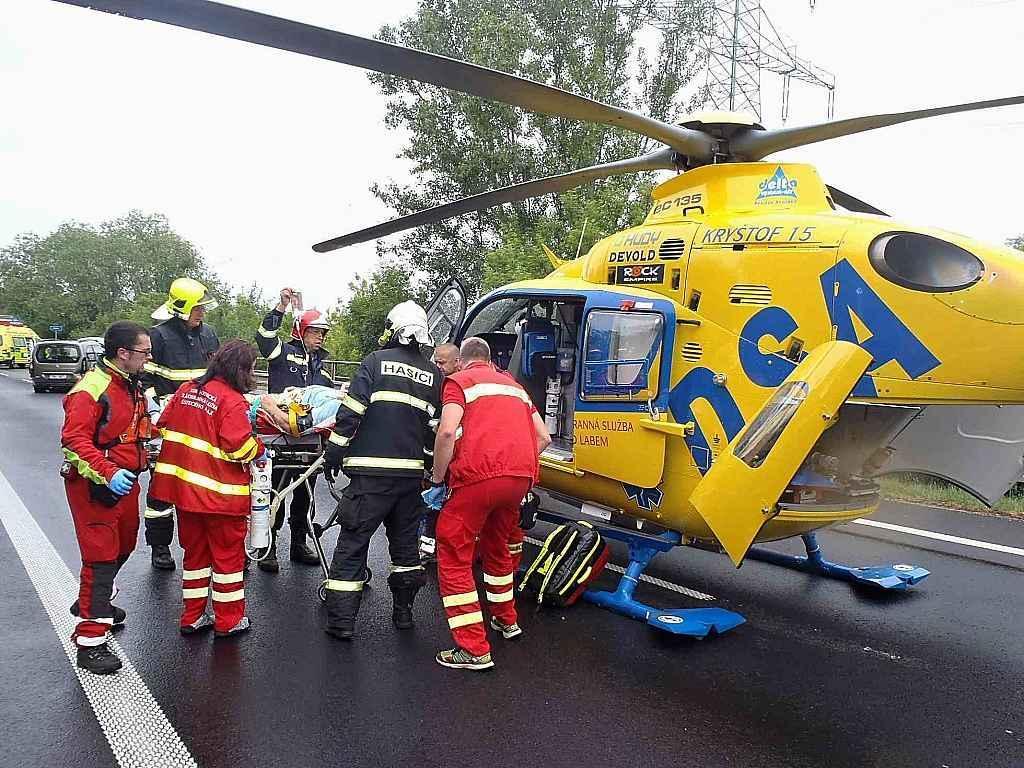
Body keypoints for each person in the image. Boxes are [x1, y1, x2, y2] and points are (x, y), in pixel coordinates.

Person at [426, 336, 551, 671]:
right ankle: (506, 620)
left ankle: (473, 648)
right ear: (491, 360)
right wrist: (513, 466)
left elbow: (447, 432)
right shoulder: (515, 387)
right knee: (498, 547)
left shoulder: (459, 382)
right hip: (519, 479)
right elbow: (544, 437)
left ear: (463, 361)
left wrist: (439, 478)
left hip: (476, 478)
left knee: (453, 554)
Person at [321, 301, 442, 640]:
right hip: (409, 480)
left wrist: (334, 451)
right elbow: (433, 428)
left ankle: (342, 623)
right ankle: (403, 614)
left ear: (394, 329)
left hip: (370, 477)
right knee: (405, 550)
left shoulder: (375, 362)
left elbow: (351, 413)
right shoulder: (434, 374)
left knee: (353, 544)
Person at [149, 340, 264, 638]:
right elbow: (238, 446)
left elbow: (163, 425)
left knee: (196, 557)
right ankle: (229, 621)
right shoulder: (231, 400)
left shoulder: (187, 390)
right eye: (251, 368)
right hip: (220, 497)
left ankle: (193, 616)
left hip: (185, 495)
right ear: (239, 370)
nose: (252, 374)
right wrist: (259, 448)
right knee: (227, 559)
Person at [61, 321, 154, 674]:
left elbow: (135, 427)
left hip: (124, 482)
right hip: (95, 487)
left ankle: (93, 601)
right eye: (144, 352)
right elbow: (75, 442)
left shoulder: (128, 383)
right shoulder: (91, 389)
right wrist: (109, 472)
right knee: (100, 560)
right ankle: (90, 640)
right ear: (123, 353)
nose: (149, 358)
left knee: (124, 546)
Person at [141, 277, 221, 571]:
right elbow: (144, 380)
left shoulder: (209, 334)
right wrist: (158, 409)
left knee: (202, 483)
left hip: (203, 422)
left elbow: (217, 375)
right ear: (182, 308)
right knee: (162, 486)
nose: (202, 312)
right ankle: (160, 546)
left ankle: (202, 546)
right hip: (168, 422)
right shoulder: (159, 336)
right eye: (197, 307)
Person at [253, 287, 334, 572]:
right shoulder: (283, 352)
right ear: (301, 331)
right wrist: (281, 308)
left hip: (309, 443)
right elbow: (263, 338)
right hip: (278, 440)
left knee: (305, 495)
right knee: (273, 492)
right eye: (315, 331)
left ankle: (299, 542)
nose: (321, 336)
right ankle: (268, 546)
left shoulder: (323, 369)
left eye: (323, 332)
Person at [418, 342, 463, 563]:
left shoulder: (458, 386)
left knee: (439, 507)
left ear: (458, 362)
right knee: (430, 508)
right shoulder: (437, 383)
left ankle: (435, 547)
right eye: (435, 361)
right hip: (432, 455)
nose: (438, 366)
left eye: (442, 362)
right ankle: (427, 548)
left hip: (451, 459)